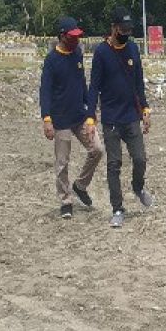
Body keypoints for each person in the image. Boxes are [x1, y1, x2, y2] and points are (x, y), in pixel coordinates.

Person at [89, 6, 152, 228]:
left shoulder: (133, 49)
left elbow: (138, 83)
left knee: (140, 158)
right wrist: (90, 118)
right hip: (111, 118)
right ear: (113, 28)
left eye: (128, 29)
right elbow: (94, 87)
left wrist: (145, 109)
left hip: (131, 116)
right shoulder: (101, 53)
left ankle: (138, 186)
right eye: (122, 29)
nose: (125, 33)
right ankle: (117, 208)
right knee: (114, 164)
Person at [39, 15, 103, 219]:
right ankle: (65, 200)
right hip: (60, 120)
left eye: (78, 36)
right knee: (62, 162)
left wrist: (91, 112)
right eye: (72, 36)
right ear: (62, 36)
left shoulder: (77, 54)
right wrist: (46, 119)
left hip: (80, 115)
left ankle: (80, 185)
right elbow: (45, 91)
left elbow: (82, 85)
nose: (77, 40)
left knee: (97, 150)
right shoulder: (51, 60)